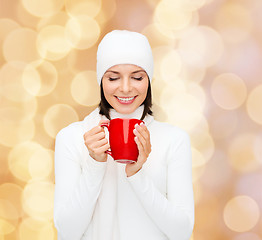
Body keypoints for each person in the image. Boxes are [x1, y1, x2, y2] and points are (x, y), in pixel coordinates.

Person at [53, 30, 194, 240]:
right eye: (113, 78)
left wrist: (137, 175)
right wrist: (94, 164)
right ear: (101, 80)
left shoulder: (174, 140)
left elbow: (182, 232)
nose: (126, 88)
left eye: (137, 77)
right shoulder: (72, 138)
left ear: (149, 80)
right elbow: (67, 231)